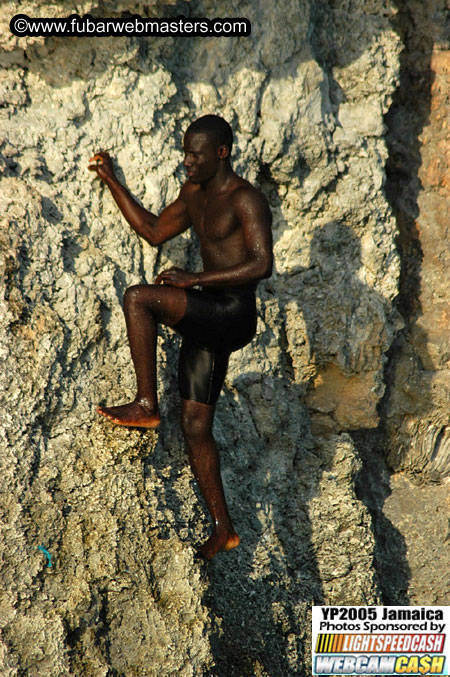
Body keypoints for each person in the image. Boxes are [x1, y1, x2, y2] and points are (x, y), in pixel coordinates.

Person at [88, 114, 273, 560]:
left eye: (196, 153)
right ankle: (223, 529)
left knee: (139, 299)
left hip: (232, 312)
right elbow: (153, 232)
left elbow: (261, 264)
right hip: (209, 314)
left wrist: (195, 279)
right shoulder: (194, 195)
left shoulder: (245, 199)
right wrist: (112, 180)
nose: (187, 160)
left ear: (222, 153)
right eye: (185, 151)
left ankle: (146, 404)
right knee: (195, 426)